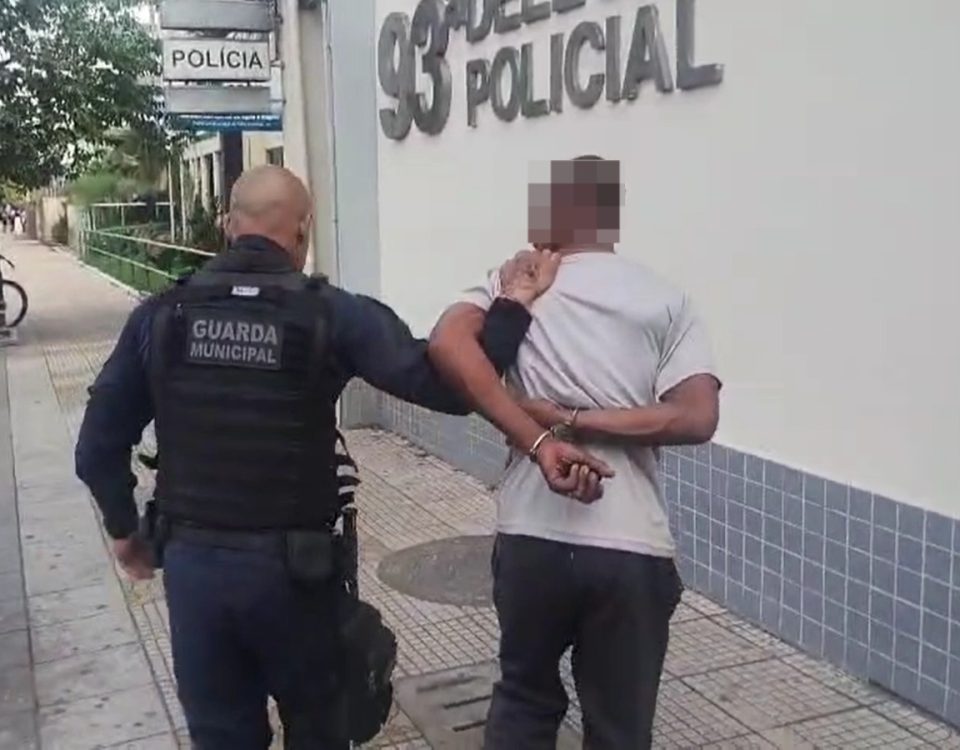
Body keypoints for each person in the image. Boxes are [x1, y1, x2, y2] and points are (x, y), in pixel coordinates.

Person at [75, 165, 611, 750]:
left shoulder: (160, 316)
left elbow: (97, 447)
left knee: (221, 736)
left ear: (228, 225)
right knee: (320, 730)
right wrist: (509, 306)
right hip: (294, 578)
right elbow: (450, 390)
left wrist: (125, 530)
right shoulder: (331, 313)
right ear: (303, 230)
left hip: (194, 570)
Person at [429, 156, 721, 749]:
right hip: (630, 545)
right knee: (618, 726)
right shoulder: (665, 298)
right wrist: (579, 421)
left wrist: (549, 421)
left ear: (550, 213)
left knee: (523, 699)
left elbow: (447, 344)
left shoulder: (513, 281)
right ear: (609, 216)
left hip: (530, 536)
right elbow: (697, 416)